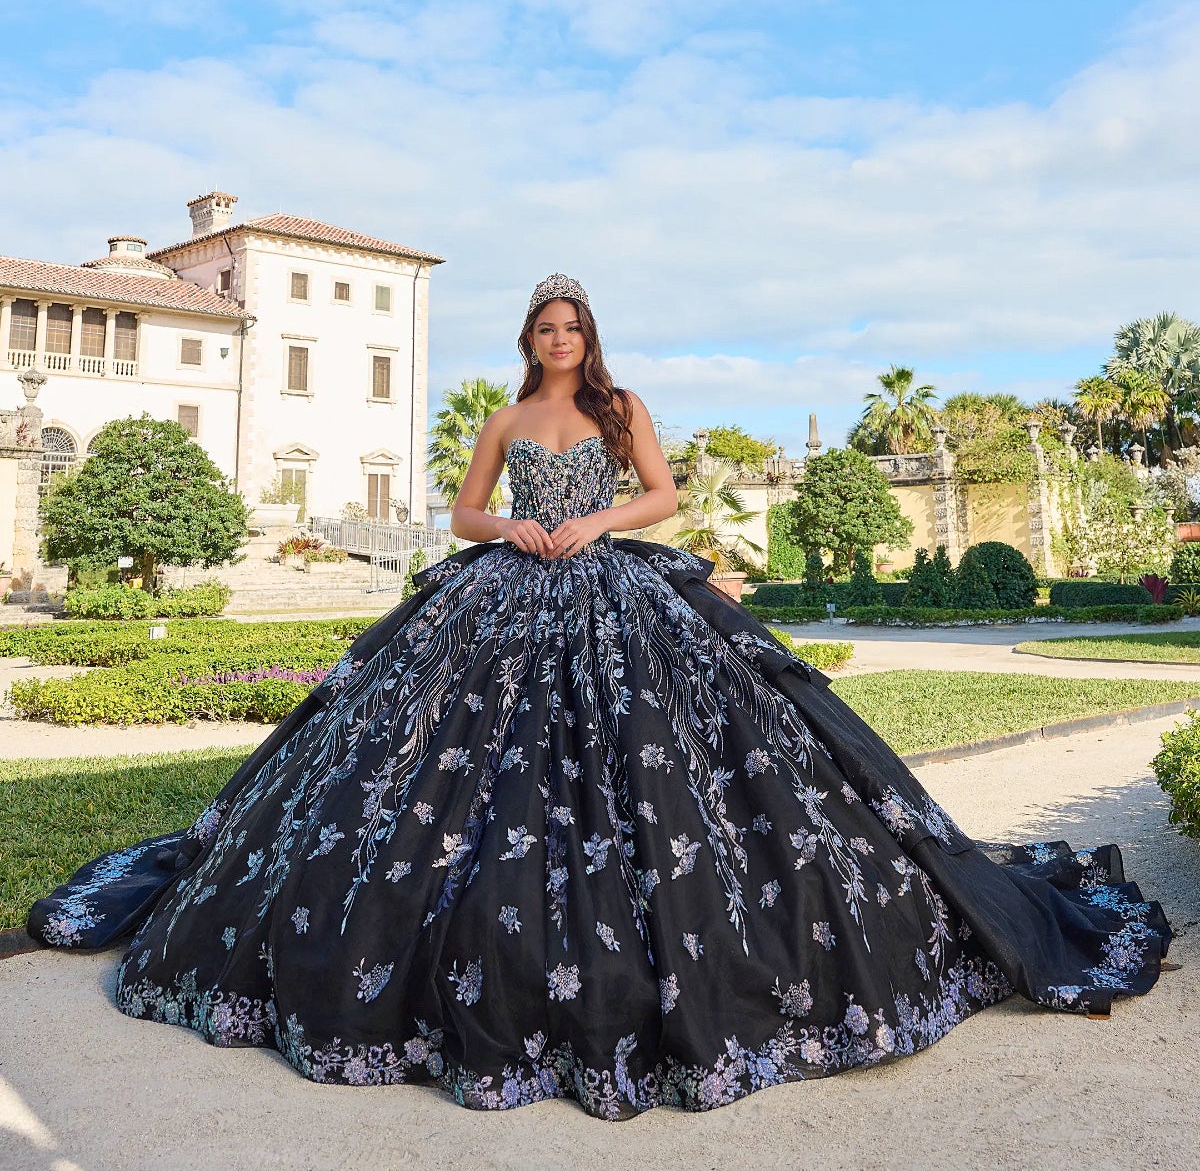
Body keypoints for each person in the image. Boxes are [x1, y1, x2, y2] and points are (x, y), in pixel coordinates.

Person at [28, 273, 1170, 1119]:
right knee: (435, 764)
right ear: (528, 339)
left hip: (613, 587)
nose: (560, 339)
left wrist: (594, 522)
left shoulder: (622, 410)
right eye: (546, 327)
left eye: (573, 326)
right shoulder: (504, 421)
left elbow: (663, 497)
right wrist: (512, 526)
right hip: (505, 589)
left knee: (667, 758)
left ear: (590, 337)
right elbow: (462, 513)